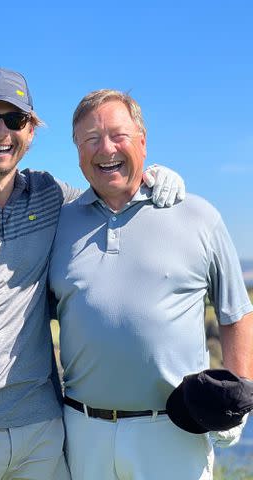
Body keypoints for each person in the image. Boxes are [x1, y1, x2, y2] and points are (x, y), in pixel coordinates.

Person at [0, 68, 184, 480]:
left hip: (44, 431)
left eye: (16, 119)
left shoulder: (50, 194)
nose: (1, 131)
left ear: (31, 129)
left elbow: (113, 193)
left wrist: (154, 178)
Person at [48, 89, 253, 480]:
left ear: (143, 140)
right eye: (90, 139)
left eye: (117, 135)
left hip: (173, 432)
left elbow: (236, 313)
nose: (105, 148)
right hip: (82, 432)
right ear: (77, 151)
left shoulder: (198, 216)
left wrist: (238, 397)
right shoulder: (59, 224)